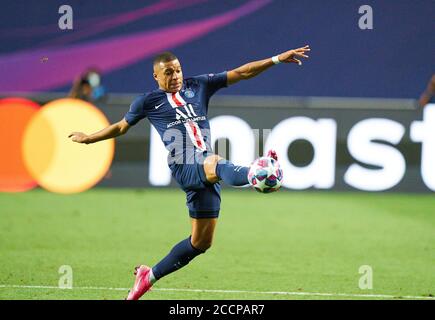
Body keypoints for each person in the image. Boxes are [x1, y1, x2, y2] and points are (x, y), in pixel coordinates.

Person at [68, 45, 310, 300]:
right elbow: (120, 127)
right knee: (215, 161)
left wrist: (275, 59)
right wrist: (88, 139)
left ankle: (148, 276)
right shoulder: (147, 101)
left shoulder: (199, 85)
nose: (176, 76)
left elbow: (243, 73)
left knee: (201, 242)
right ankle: (256, 173)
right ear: (156, 77)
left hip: (204, 170)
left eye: (179, 70)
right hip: (184, 164)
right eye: (169, 73)